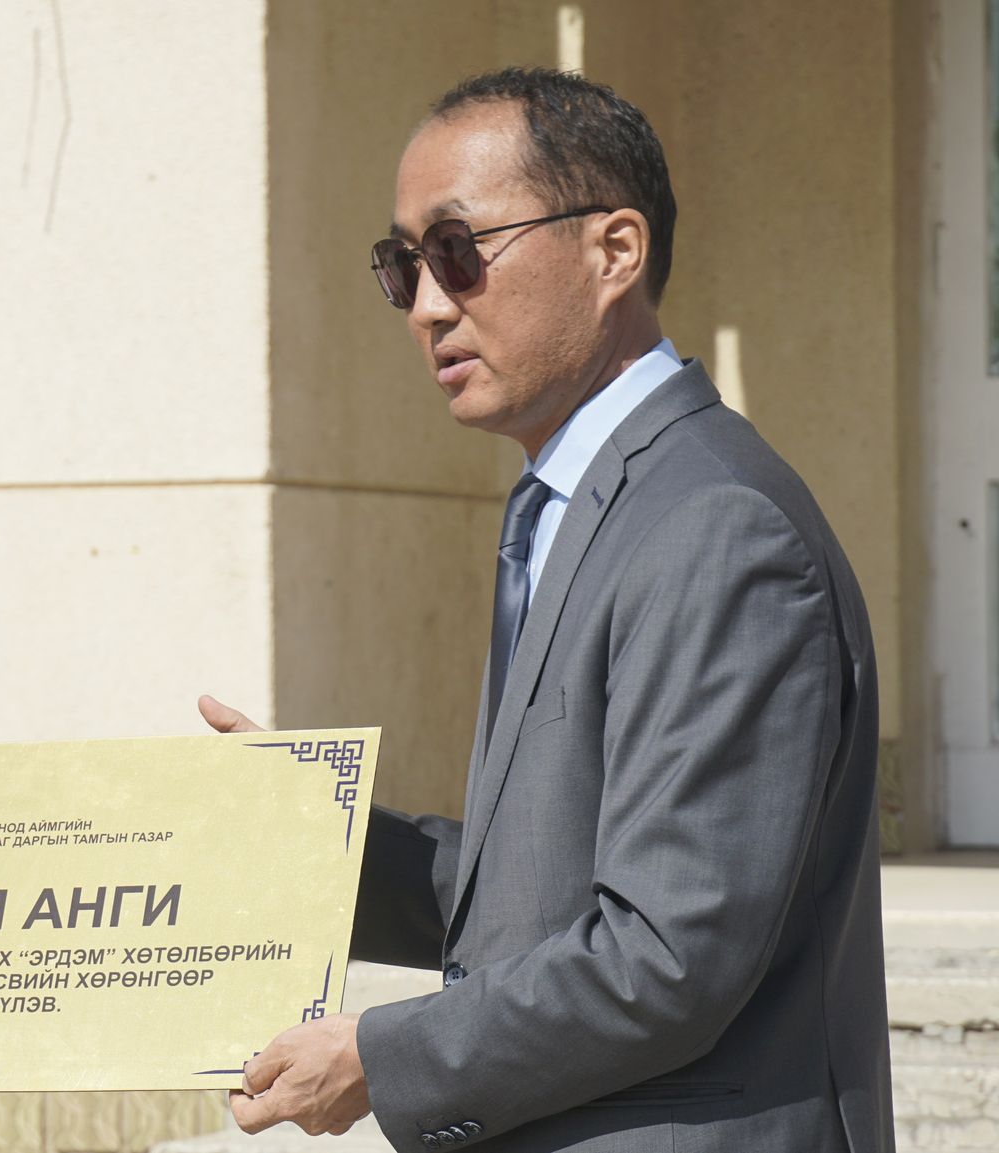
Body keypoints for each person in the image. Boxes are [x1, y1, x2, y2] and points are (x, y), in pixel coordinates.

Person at [204, 69, 891, 1151]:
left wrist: (384, 1056)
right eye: (403, 266)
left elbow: (668, 953)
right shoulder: (574, 508)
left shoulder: (714, 526)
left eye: (458, 251)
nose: (427, 306)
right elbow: (539, 890)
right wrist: (311, 843)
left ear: (613, 251)